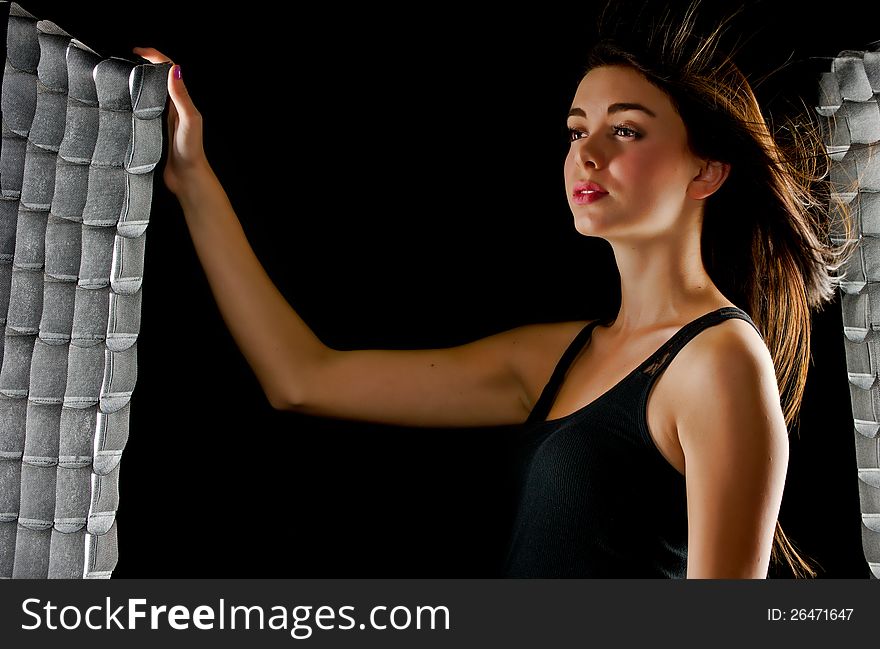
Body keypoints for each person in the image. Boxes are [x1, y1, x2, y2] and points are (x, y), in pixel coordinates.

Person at [131, 0, 855, 578]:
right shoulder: (556, 360)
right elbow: (299, 376)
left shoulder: (720, 362)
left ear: (707, 172)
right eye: (576, 131)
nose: (589, 152)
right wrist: (193, 177)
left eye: (627, 132)